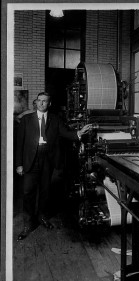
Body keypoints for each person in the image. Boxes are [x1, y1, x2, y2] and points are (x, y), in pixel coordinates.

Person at [15, 92, 92, 240]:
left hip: (47, 160)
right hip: (30, 160)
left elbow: (66, 133)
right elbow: (19, 144)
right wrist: (19, 164)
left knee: (45, 191)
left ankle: (42, 216)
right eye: (40, 101)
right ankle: (28, 223)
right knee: (27, 192)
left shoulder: (55, 119)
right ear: (36, 102)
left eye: (45, 101)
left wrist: (79, 132)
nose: (42, 103)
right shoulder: (26, 120)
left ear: (49, 104)